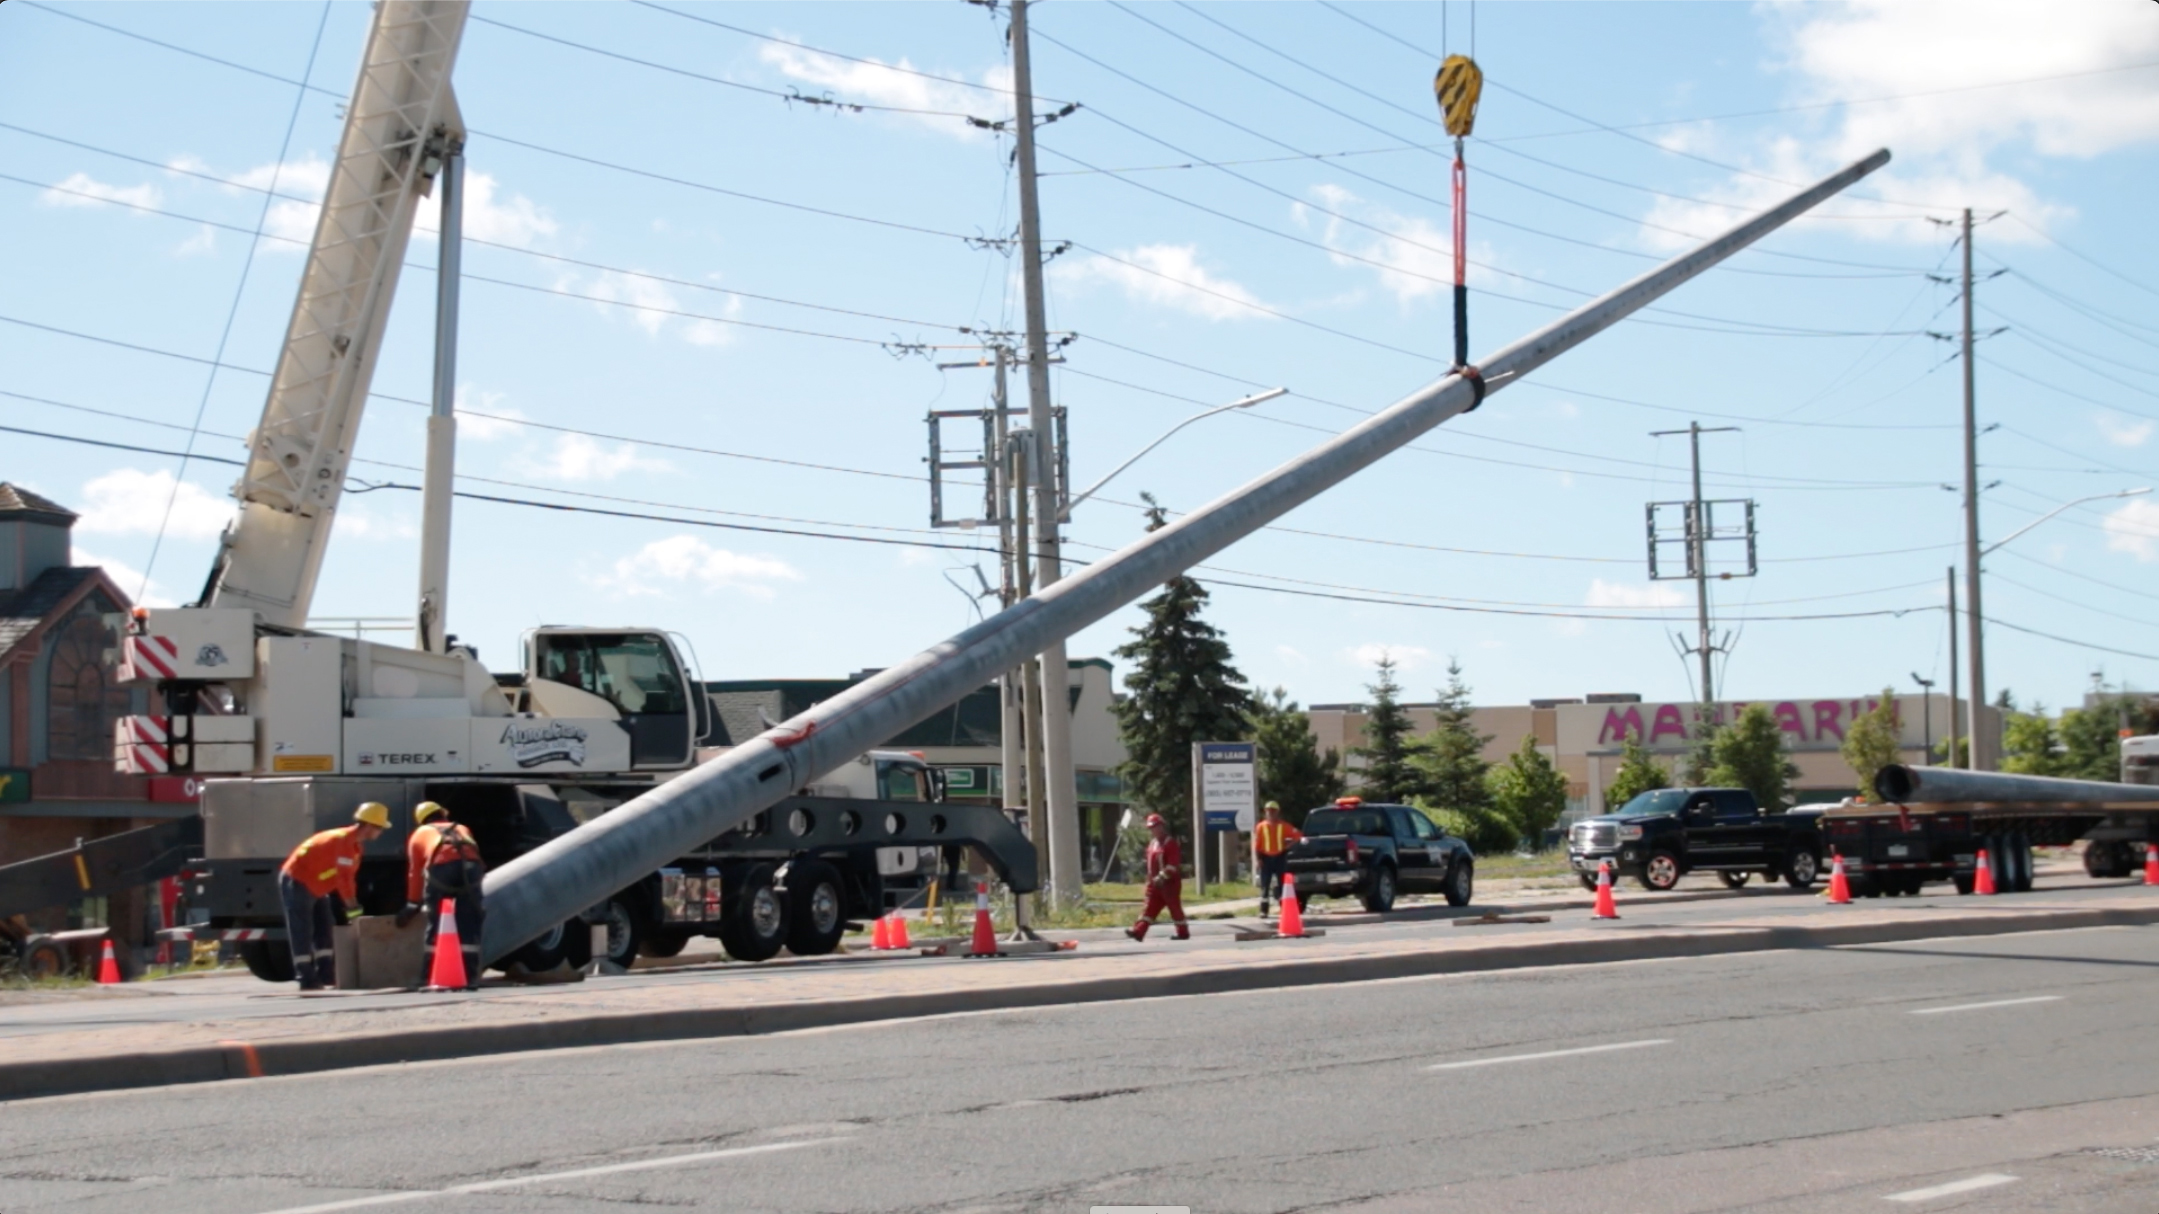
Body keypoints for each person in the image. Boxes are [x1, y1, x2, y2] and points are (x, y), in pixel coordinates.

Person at [278, 803, 389, 990]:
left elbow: (348, 879)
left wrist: (352, 906)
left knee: (324, 925)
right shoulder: (343, 841)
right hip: (297, 880)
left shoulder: (355, 847)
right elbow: (344, 878)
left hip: (317, 886)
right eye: (380, 828)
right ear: (370, 826)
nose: (381, 832)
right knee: (302, 928)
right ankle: (306, 977)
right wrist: (352, 907)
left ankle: (326, 975)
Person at [397, 801, 486, 989]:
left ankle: (427, 977)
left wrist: (413, 904)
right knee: (469, 924)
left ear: (422, 821)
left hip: (442, 867)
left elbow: (415, 872)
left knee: (436, 922)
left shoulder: (419, 834)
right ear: (443, 815)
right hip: (471, 869)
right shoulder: (462, 828)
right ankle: (470, 978)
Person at [1125, 813, 1188, 941]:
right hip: (1154, 884)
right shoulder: (1153, 843)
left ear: (1162, 826)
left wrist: (1162, 876)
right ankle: (1138, 932)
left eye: (1156, 827)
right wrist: (1150, 880)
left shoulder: (1170, 843)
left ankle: (1183, 933)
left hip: (1169, 884)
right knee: (1148, 909)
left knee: (1174, 909)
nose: (1154, 830)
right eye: (1151, 828)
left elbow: (1172, 865)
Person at [1252, 801, 1304, 919]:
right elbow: (1256, 845)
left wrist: (1288, 845)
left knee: (1282, 885)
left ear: (1277, 812)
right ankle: (1264, 911)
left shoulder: (1283, 825)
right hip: (1265, 858)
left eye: (1273, 811)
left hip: (1280, 857)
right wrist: (1258, 859)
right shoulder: (1261, 826)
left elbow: (1298, 835)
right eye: (1268, 811)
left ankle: (1284, 910)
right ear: (1265, 812)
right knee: (1265, 886)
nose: (1270, 813)